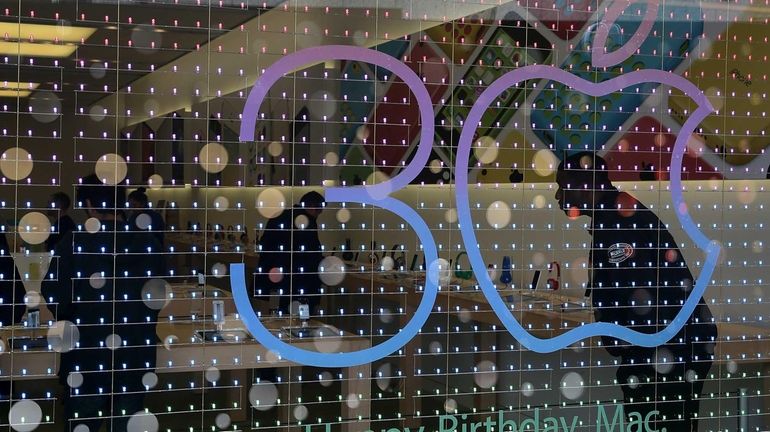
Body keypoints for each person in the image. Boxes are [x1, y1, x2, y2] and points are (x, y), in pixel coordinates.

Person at [555, 152, 717, 432]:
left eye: (563, 186)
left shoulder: (621, 222)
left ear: (586, 186)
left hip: (668, 353)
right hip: (667, 350)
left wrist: (620, 343)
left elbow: (640, 300)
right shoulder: (615, 216)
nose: (558, 196)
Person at [42, 174, 166, 431]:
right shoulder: (149, 244)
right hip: (135, 357)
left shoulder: (75, 243)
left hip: (87, 356)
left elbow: (55, 295)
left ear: (89, 203)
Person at [255, 191, 325, 315]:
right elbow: (311, 254)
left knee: (278, 315)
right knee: (299, 318)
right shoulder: (307, 221)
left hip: (273, 276)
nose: (319, 215)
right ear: (314, 208)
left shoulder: (280, 215)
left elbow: (264, 243)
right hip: (298, 279)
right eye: (319, 211)